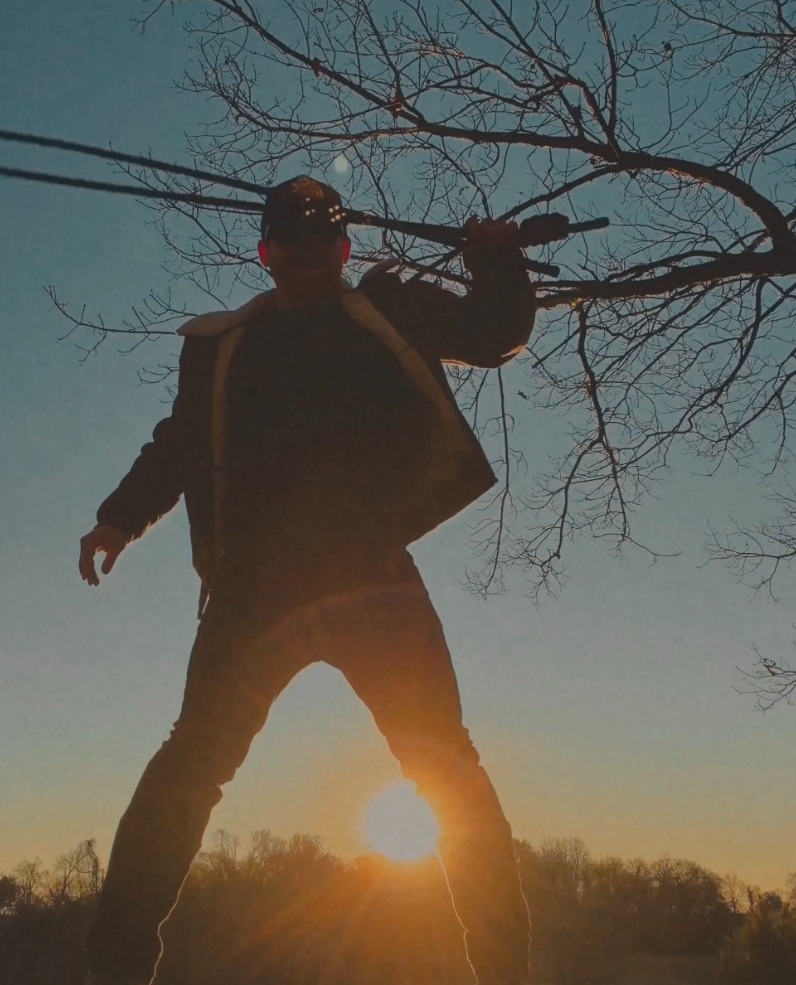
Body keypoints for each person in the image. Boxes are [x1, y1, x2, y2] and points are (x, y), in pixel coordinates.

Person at [80, 176, 557, 985]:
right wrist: (118, 518)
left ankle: (503, 973)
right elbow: (179, 442)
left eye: (320, 239)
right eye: (288, 241)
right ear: (264, 253)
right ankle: (116, 969)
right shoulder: (223, 345)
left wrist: (498, 265)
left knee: (444, 766)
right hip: (253, 591)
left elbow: (493, 334)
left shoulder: (391, 308)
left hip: (372, 578)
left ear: (344, 248)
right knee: (189, 767)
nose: (304, 253)